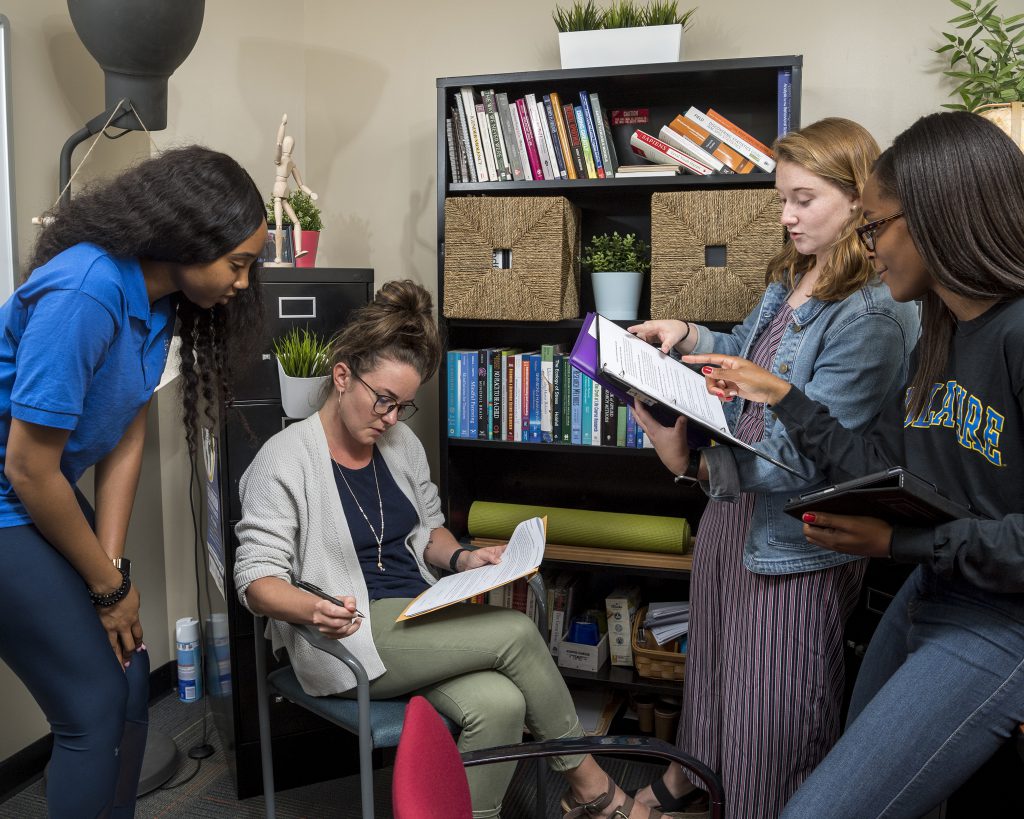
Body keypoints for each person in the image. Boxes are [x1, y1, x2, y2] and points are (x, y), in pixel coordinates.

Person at [234, 280, 683, 819]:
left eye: (404, 406)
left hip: (416, 613)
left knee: (501, 703)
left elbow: (428, 530)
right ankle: (591, 786)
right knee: (516, 631)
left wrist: (465, 560)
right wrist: (314, 609)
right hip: (349, 631)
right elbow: (256, 580)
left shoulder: (397, 444)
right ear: (342, 376)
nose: (392, 419)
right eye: (383, 400)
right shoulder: (282, 461)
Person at [685, 111, 1024, 819]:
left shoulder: (1014, 336)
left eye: (875, 227)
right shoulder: (940, 326)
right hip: (939, 584)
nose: (868, 250)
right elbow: (874, 462)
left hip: (1001, 618)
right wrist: (782, 395)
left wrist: (897, 542)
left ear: (935, 220)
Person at [626, 118, 921, 819]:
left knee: (774, 723)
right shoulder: (796, 273)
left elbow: (820, 460)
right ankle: (693, 785)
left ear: (859, 200)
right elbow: (755, 355)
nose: (786, 215)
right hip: (736, 517)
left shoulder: (871, 315)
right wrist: (691, 335)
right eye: (781, 199)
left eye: (804, 199)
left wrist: (690, 463)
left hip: (792, 538)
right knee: (719, 682)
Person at [0, 145, 267, 818]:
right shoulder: (86, 290)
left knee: (126, 677)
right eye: (238, 262)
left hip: (37, 495)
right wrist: (107, 587)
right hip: (13, 495)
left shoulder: (156, 301)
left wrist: (111, 566)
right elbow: (27, 466)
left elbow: (126, 429)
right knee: (91, 707)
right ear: (188, 236)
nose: (243, 282)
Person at [270, 113, 318, 264]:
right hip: (279, 195)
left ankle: (298, 251)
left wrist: (311, 193)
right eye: (287, 143)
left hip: (284, 196)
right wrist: (282, 125)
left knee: (296, 223)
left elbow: (301, 184)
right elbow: (277, 145)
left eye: (291, 144)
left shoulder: (291, 163)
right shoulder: (281, 159)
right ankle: (278, 256)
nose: (288, 146)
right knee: (278, 224)